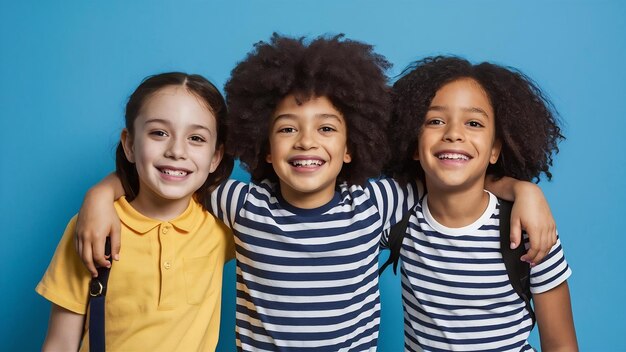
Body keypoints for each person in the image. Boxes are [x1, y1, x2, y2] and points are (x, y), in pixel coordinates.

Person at [75, 35, 557, 351]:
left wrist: (522, 189)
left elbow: (452, 175)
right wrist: (102, 192)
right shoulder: (240, 205)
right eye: (288, 129)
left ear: (351, 148)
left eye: (326, 128)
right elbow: (176, 177)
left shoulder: (376, 204)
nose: (307, 142)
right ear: (264, 145)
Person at [387, 56, 577, 351]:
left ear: (494, 150)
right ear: (413, 144)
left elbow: (562, 345)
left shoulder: (528, 229)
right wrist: (521, 188)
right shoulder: (397, 216)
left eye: (473, 123)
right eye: (435, 121)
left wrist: (525, 191)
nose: (453, 133)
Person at [36, 72, 235, 351]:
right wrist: (100, 196)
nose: (177, 150)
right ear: (129, 144)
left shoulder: (223, 227)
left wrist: (101, 190)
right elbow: (60, 343)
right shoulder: (92, 228)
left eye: (196, 138)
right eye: (159, 133)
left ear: (215, 157)